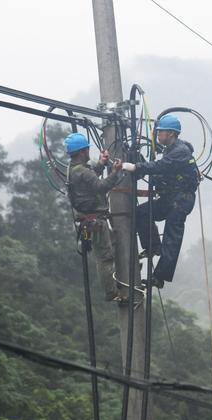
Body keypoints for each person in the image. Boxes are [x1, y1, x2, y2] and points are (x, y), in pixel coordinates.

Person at [122, 114, 199, 288]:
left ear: (171, 133)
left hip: (181, 200)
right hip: (169, 198)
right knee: (141, 213)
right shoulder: (169, 150)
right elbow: (162, 172)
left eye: (160, 132)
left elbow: (161, 166)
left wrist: (137, 167)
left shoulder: (180, 151)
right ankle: (153, 246)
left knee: (172, 237)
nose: (157, 135)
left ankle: (159, 277)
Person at [64, 132, 124, 301]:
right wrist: (115, 172)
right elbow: (100, 186)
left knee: (114, 244)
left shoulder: (75, 169)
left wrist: (101, 164)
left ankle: (121, 275)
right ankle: (111, 292)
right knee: (105, 258)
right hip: (94, 220)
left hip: (90, 220)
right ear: (83, 151)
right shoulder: (81, 171)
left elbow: (90, 179)